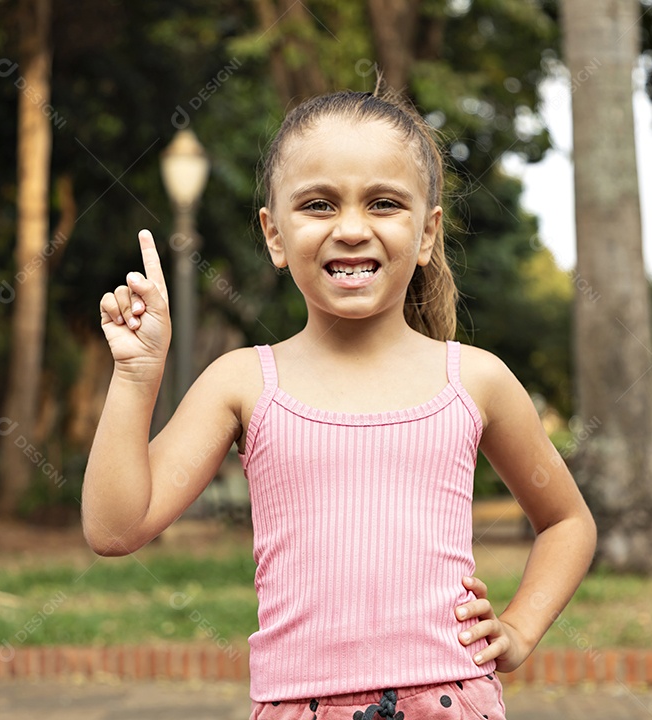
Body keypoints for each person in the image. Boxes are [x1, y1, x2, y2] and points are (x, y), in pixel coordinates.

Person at [83, 89, 596, 719]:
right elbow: (114, 528)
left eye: (384, 203)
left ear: (428, 231)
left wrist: (519, 629)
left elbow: (569, 522)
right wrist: (137, 376)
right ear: (275, 234)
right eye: (318, 205)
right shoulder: (243, 383)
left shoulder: (474, 380)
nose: (351, 229)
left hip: (452, 699)